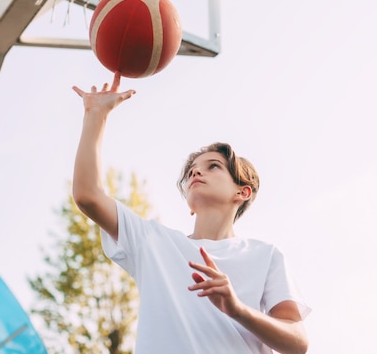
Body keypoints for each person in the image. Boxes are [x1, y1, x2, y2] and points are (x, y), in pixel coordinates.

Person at [72, 75, 310, 354]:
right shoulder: (153, 241)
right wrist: (95, 115)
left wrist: (236, 309)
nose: (196, 172)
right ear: (189, 202)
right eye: (191, 171)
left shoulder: (265, 255)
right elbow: (88, 195)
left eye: (213, 166)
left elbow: (297, 343)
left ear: (242, 192)